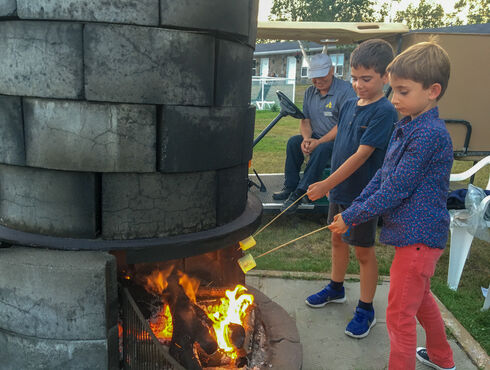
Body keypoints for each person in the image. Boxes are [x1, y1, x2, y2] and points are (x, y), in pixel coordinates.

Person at [328, 41, 455, 370]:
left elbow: (396, 189)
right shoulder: (409, 124)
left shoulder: (428, 135)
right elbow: (385, 176)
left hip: (418, 240)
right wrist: (354, 208)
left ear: (433, 91)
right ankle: (442, 357)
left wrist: (353, 216)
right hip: (413, 240)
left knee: (399, 315)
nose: (394, 98)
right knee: (422, 300)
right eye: (393, 90)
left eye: (402, 91)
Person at [305, 39, 398, 339]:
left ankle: (366, 309)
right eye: (355, 77)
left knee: (364, 251)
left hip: (364, 195)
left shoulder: (384, 112)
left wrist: (326, 183)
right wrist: (332, 184)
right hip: (341, 191)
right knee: (336, 240)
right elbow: (339, 147)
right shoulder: (348, 103)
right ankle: (336, 288)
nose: (358, 85)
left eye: (366, 79)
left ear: (386, 77)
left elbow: (361, 156)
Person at [273, 53, 356, 213]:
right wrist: (306, 139)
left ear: (332, 70)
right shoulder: (310, 92)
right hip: (317, 137)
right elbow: (305, 120)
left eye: (321, 77)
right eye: (314, 77)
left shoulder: (346, 91)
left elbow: (343, 125)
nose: (317, 81)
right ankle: (290, 186)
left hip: (341, 142)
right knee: (293, 143)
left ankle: (301, 192)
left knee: (322, 149)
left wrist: (318, 142)